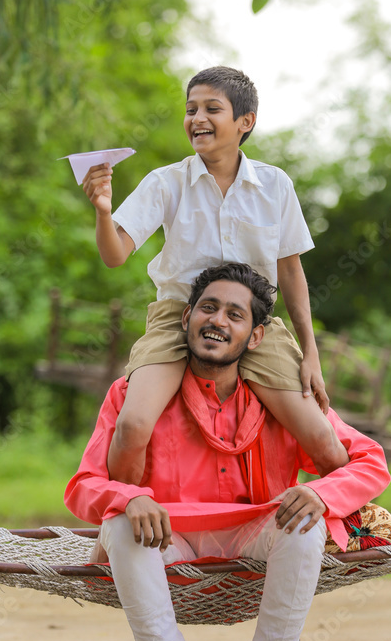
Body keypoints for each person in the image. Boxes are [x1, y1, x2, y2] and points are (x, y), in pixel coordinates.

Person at [65, 263, 391, 641]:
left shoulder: (284, 400)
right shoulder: (132, 394)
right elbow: (84, 484)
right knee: (120, 522)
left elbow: (370, 460)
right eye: (208, 308)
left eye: (235, 315)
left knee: (306, 519)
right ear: (186, 320)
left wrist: (322, 493)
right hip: (168, 542)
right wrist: (130, 497)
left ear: (255, 338)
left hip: (255, 540)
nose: (217, 321)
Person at [81, 65, 347, 490]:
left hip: (252, 323)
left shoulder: (275, 185)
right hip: (178, 316)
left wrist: (310, 352)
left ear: (245, 122)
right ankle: (122, 521)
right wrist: (102, 210)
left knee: (325, 442)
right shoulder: (167, 182)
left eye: (211, 108)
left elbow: (291, 272)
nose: (197, 118)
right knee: (131, 426)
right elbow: (115, 255)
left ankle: (346, 534)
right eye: (191, 109)